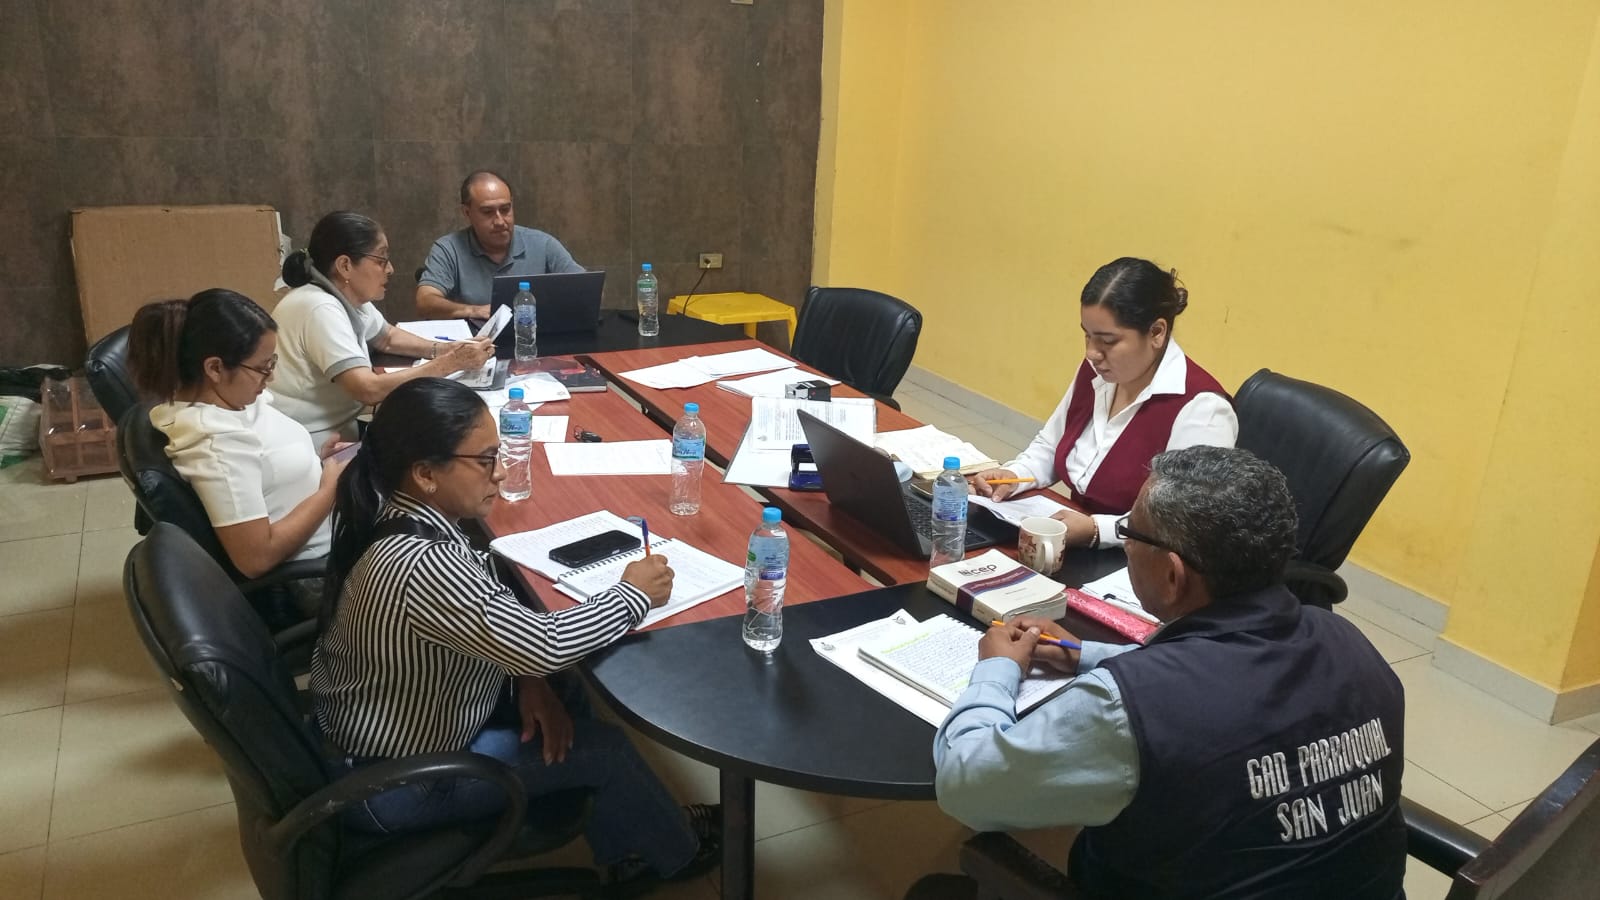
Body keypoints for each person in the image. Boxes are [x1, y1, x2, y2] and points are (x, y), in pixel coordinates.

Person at [935, 447, 1406, 899]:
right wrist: (1087, 655)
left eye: (1130, 533)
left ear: (1173, 575)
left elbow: (964, 786)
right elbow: (1229, 682)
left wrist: (996, 669)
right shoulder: (1350, 643)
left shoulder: (1132, 704)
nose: (1125, 542)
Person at [310, 378, 720, 892]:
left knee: (566, 692)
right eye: (485, 460)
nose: (501, 472)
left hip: (380, 733)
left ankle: (624, 839)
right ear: (426, 473)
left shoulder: (401, 514)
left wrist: (531, 680)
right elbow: (545, 644)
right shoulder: (423, 564)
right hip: (397, 781)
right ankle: (675, 853)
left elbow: (492, 623)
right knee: (609, 749)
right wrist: (633, 593)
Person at [974, 257, 1237, 550]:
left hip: (1142, 559)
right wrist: (1015, 476)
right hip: (1076, 536)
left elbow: (1181, 521)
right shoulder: (1098, 373)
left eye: (1108, 341)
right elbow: (1051, 445)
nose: (1092, 353)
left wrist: (1098, 530)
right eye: (1087, 336)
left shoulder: (1202, 408)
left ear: (1156, 332)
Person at [127, 289, 349, 578]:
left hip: (336, 528)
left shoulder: (231, 399)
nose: (271, 377)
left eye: (272, 363)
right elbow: (256, 558)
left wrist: (313, 462)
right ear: (215, 368)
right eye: (263, 367)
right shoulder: (215, 443)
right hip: (319, 569)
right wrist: (329, 491)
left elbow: (262, 467)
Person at [273, 211, 496, 445]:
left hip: (339, 427)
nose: (390, 269)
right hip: (309, 441)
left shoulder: (344, 295)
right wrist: (450, 363)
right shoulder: (320, 308)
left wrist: (444, 349)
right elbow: (368, 389)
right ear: (345, 266)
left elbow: (387, 337)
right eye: (381, 260)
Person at [414, 170, 585, 320]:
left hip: (531, 337)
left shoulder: (543, 244)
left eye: (505, 209)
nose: (500, 221)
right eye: (487, 212)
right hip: (474, 340)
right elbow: (425, 301)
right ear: (467, 213)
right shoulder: (448, 249)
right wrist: (474, 311)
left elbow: (586, 289)